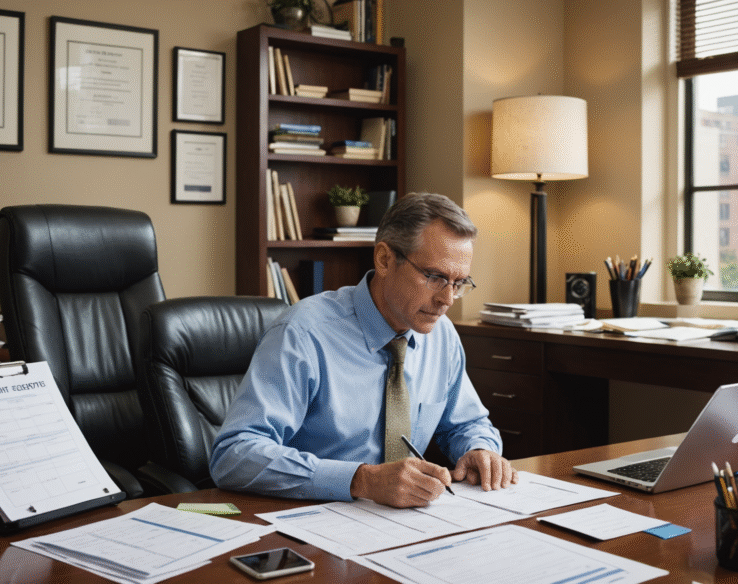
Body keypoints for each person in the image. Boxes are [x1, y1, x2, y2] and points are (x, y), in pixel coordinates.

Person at [210, 192, 518, 508]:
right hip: (308, 521)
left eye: (459, 282)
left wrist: (480, 449)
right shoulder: (303, 333)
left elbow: (467, 423)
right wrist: (362, 480)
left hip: (405, 525)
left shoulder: (441, 336)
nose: (448, 299)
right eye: (435, 277)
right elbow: (234, 455)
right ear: (384, 259)